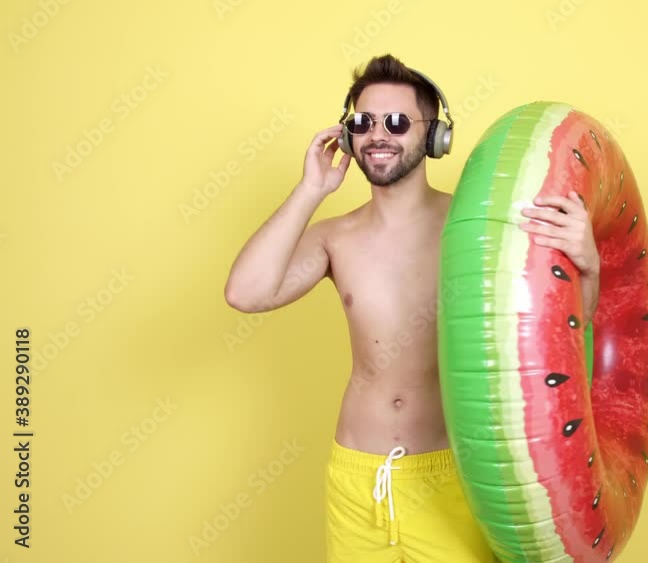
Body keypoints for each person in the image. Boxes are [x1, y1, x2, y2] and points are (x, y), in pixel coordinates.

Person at [223, 54, 601, 563]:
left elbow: (565, 336)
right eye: (363, 122)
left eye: (397, 122)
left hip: (454, 477)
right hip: (356, 480)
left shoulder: (478, 229)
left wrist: (588, 265)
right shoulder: (336, 238)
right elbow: (246, 293)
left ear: (434, 136)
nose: (378, 134)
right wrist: (311, 190)